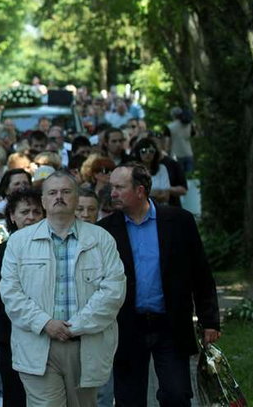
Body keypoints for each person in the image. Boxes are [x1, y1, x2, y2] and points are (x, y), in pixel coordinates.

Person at [0, 171, 126, 406]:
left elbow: (113, 292)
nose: (59, 197)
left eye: (66, 192)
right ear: (44, 201)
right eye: (52, 192)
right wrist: (45, 323)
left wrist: (75, 326)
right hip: (38, 346)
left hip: (85, 344)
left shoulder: (102, 240)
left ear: (76, 199)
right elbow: (11, 293)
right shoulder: (19, 242)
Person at [99, 164, 220, 407]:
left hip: (170, 323)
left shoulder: (178, 221)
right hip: (127, 326)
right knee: (129, 398)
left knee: (176, 395)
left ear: (140, 190)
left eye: (120, 187)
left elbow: (201, 272)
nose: (112, 193)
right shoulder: (105, 231)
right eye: (112, 187)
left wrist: (209, 321)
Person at [0, 188, 45, 407]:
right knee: (14, 395)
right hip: (9, 336)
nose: (30, 217)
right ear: (12, 215)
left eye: (36, 211)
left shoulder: (54, 248)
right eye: (24, 212)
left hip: (45, 333)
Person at [131, 138, 186, 206]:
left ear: (155, 153)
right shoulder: (132, 170)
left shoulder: (162, 168)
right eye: (143, 151)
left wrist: (144, 193)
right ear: (138, 153)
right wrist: (155, 192)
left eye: (151, 151)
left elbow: (165, 196)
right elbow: (133, 195)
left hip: (160, 208)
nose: (148, 154)